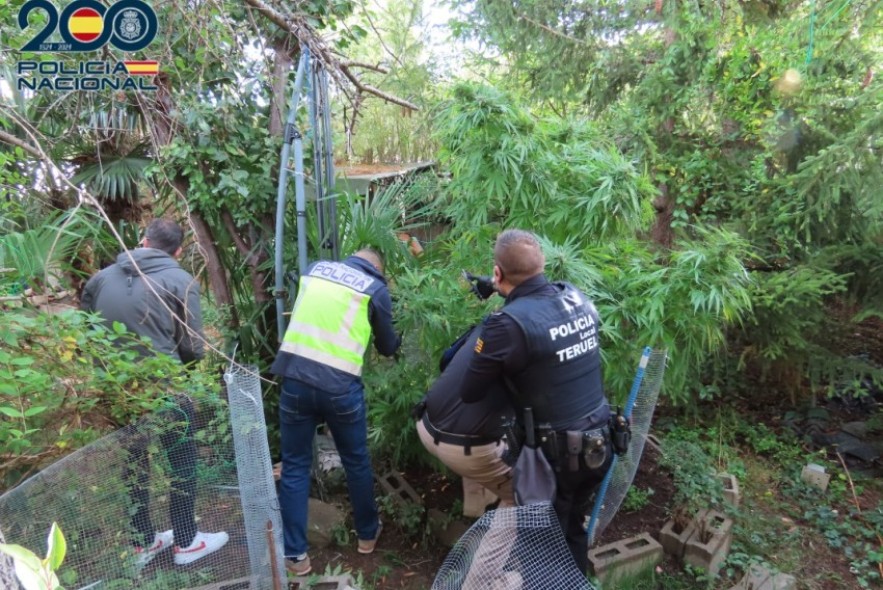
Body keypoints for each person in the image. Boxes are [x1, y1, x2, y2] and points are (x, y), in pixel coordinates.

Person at [459, 229, 613, 573]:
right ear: (542, 263)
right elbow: (541, 314)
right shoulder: (574, 295)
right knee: (572, 532)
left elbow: (470, 391)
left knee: (539, 554)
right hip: (600, 443)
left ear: (498, 273)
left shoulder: (505, 326)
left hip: (555, 461)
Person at [80, 218, 229, 567]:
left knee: (134, 461)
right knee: (181, 459)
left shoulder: (99, 278)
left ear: (142, 240)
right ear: (178, 251)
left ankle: (142, 541)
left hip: (118, 389)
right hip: (167, 387)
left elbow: (87, 329)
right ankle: (186, 542)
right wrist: (186, 373)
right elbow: (193, 346)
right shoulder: (180, 280)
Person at [270, 249, 400, 576]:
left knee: (296, 465)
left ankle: (296, 556)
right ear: (376, 270)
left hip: (296, 380)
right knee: (356, 460)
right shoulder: (374, 289)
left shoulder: (316, 270)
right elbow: (388, 346)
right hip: (340, 388)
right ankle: (367, 537)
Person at [414, 324, 515, 516]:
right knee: (531, 500)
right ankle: (489, 544)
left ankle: (477, 516)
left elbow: (446, 360)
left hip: (426, 422)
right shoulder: (536, 341)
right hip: (466, 447)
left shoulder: (493, 322)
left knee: (481, 434)